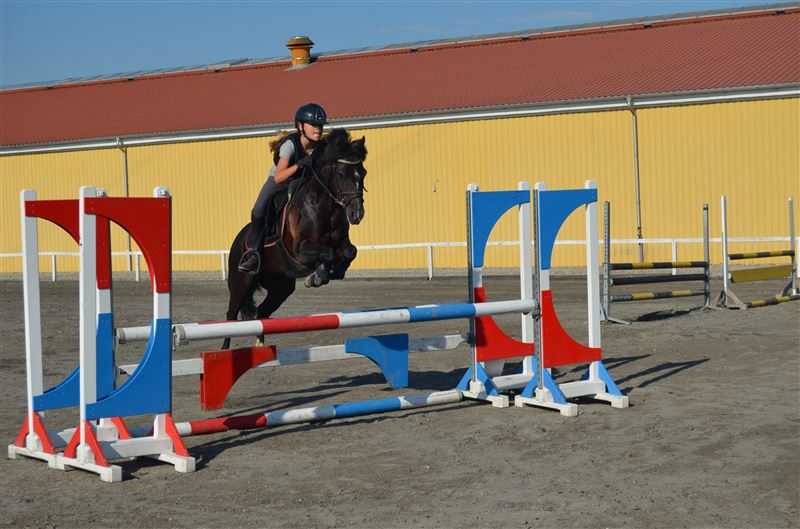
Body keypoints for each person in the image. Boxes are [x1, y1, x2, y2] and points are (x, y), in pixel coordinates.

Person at [238, 102, 328, 273]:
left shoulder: (321, 146)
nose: (318, 129)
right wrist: (299, 165)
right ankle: (254, 253)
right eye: (314, 125)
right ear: (300, 126)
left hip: (303, 181)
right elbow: (279, 177)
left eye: (321, 125)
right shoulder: (290, 145)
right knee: (258, 209)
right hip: (280, 180)